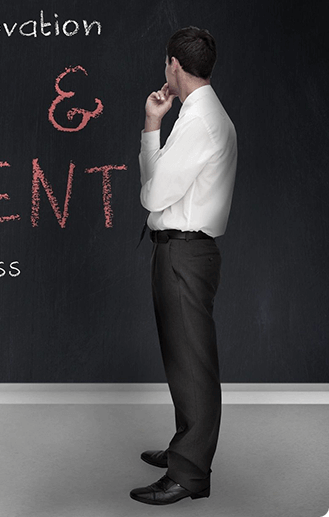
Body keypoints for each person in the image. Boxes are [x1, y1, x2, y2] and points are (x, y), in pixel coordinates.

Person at [131, 27, 237, 505]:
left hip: (184, 253)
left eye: (165, 62)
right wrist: (157, 123)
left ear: (173, 63)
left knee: (192, 365)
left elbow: (153, 195)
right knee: (184, 360)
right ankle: (184, 451)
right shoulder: (199, 114)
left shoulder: (200, 122)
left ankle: (189, 474)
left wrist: (150, 126)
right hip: (183, 250)